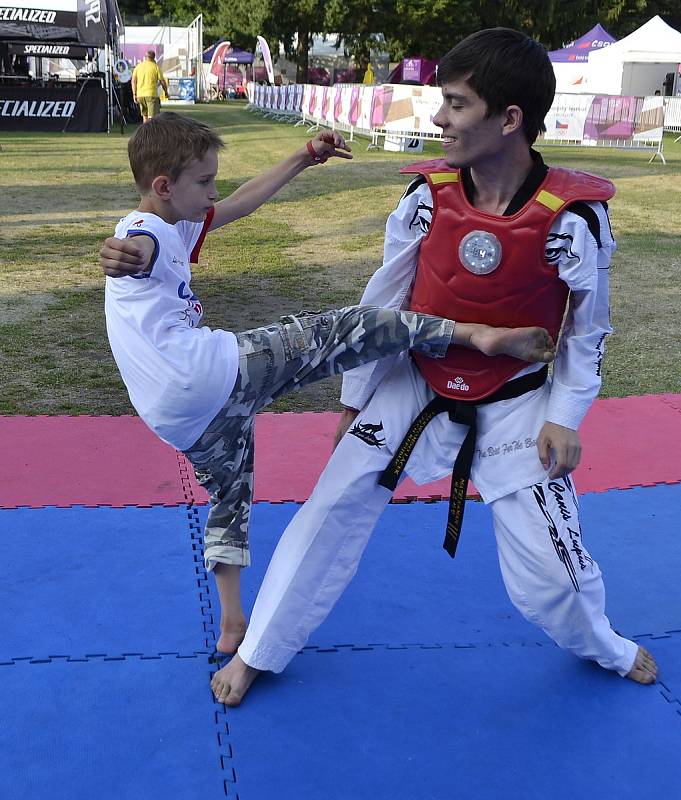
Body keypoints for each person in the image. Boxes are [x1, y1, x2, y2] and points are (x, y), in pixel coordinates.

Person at [208, 27, 658, 707]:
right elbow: (380, 305)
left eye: (455, 104)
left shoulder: (573, 219)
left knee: (552, 578)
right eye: (440, 101)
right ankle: (259, 650)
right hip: (413, 380)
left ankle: (604, 646)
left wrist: (565, 417)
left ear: (508, 119)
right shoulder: (424, 199)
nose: (438, 119)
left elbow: (587, 331)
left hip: (517, 399)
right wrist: (354, 402)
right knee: (329, 506)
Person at [99, 110, 557, 655]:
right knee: (342, 329)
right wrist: (125, 256)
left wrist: (303, 156)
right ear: (162, 186)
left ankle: (231, 623)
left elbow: (242, 203)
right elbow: (136, 250)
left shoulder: (174, 218)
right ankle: (471, 334)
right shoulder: (145, 231)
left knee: (229, 497)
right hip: (206, 373)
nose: (213, 192)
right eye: (204, 182)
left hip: (173, 416)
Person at [132, 50, 168, 123]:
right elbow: (162, 82)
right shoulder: (155, 67)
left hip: (140, 95)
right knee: (152, 118)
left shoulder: (138, 67)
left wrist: (134, 94)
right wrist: (166, 92)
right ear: (154, 58)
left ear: (145, 57)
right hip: (151, 95)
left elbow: (133, 81)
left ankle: (145, 133)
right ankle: (152, 133)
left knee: (145, 117)